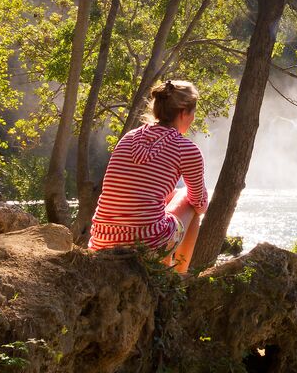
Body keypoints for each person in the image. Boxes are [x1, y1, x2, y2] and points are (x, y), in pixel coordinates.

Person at [88, 80, 208, 273]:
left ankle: (166, 270)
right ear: (183, 112)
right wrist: (188, 197)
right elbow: (200, 204)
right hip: (144, 244)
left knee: (168, 196)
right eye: (193, 112)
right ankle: (178, 276)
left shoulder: (128, 138)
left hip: (101, 240)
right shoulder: (186, 149)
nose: (193, 118)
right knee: (187, 196)